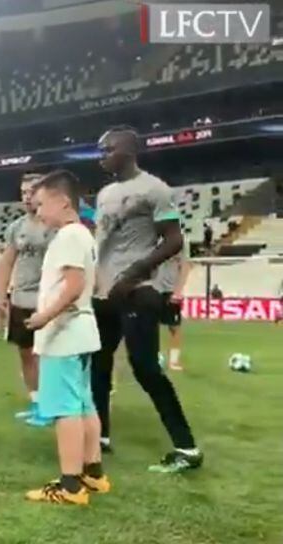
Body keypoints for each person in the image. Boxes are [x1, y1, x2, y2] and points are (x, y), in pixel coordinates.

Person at [92, 127, 201, 472]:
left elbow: (173, 241)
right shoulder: (105, 193)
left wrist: (134, 273)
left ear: (127, 150)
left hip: (139, 292)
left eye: (106, 149)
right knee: (97, 363)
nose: (101, 156)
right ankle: (100, 435)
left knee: (145, 368)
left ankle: (187, 448)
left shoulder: (155, 189)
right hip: (105, 292)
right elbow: (103, 243)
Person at [23, 170, 109, 505]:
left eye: (42, 203)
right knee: (84, 404)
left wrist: (45, 316)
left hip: (65, 334)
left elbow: (72, 286)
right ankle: (93, 473)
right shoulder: (81, 234)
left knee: (65, 408)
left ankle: (70, 485)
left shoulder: (70, 236)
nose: (38, 210)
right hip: (81, 332)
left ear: (63, 201)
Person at [0, 171, 54, 425]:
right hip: (21, 298)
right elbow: (7, 261)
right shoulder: (16, 227)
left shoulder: (54, 224)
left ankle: (53, 404)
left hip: (48, 299)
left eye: (32, 192)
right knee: (25, 353)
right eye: (23, 193)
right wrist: (1, 293)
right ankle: (37, 401)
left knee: (48, 355)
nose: (27, 198)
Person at [156, 239, 190, 371]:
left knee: (174, 327)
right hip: (152, 289)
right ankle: (154, 358)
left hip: (171, 290)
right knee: (151, 325)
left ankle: (174, 361)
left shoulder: (179, 242)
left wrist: (178, 290)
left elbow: (185, 266)